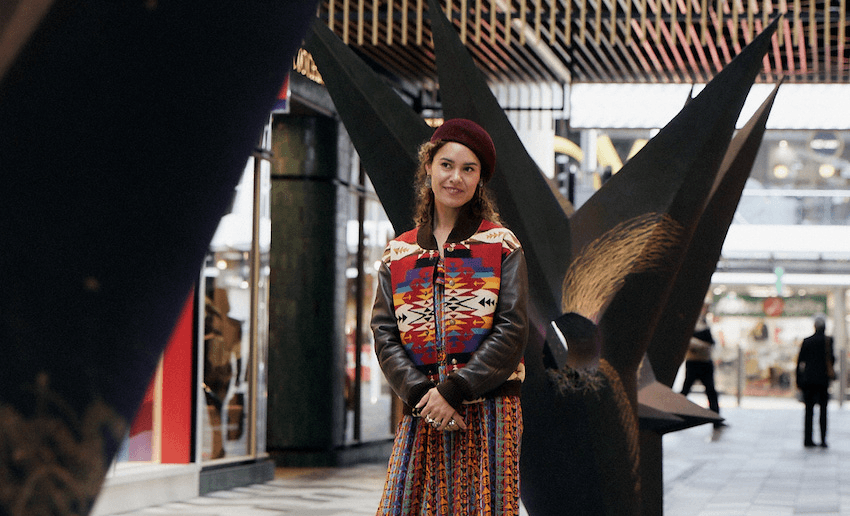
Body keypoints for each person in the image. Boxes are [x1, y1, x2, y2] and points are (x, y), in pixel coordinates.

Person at [371, 118, 529, 515]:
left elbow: (512, 329)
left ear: (480, 179)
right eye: (446, 165)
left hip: (490, 410)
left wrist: (453, 391)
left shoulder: (501, 244)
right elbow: (384, 332)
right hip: (422, 407)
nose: (455, 177)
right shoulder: (398, 252)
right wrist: (421, 395)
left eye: (468, 169)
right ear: (429, 166)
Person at [681, 305, 725, 428]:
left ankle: (716, 419)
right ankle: (676, 415)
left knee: (710, 391)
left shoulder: (705, 324)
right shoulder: (690, 325)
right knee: (686, 390)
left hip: (704, 362)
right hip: (694, 362)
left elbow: (711, 344)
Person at [796, 315, 835, 448]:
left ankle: (808, 439)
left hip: (808, 381)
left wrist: (799, 380)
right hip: (823, 381)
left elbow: (800, 362)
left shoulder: (807, 341)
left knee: (809, 411)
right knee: (823, 411)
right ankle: (823, 439)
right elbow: (832, 359)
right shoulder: (828, 341)